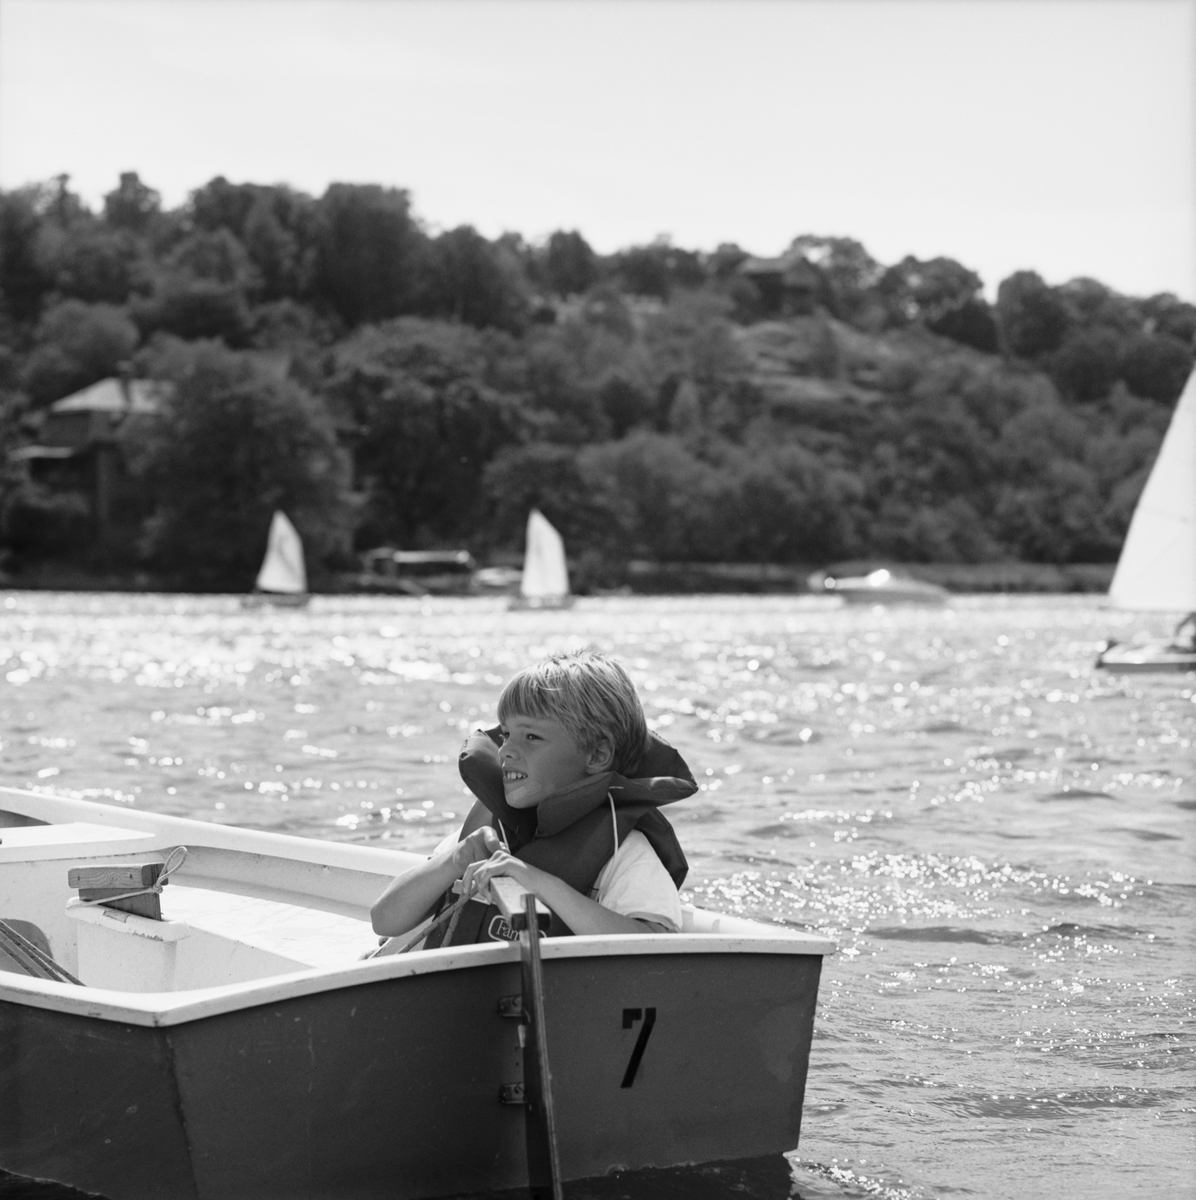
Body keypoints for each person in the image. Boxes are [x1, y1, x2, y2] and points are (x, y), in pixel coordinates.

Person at [370, 650, 693, 946]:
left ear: (597, 755)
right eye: (506, 734)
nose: (506, 750)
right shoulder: (486, 832)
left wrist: (539, 882)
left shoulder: (625, 852)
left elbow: (654, 948)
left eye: (532, 736)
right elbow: (384, 920)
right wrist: (455, 859)